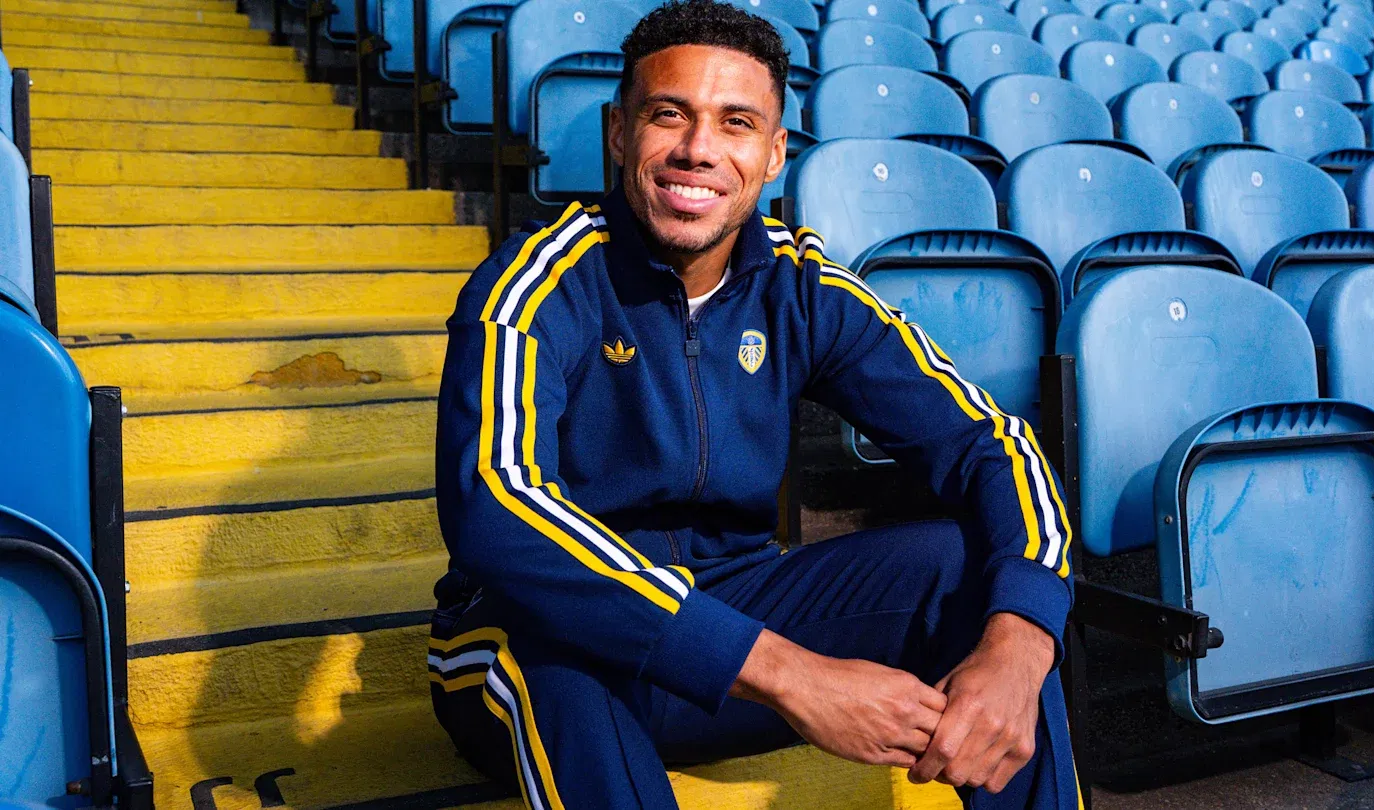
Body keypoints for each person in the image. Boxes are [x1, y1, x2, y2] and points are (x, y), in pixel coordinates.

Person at [430, 1, 1078, 806]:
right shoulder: (535, 283)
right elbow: (495, 508)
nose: (698, 149)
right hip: (538, 648)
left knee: (974, 576)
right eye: (669, 115)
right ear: (618, 132)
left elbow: (991, 443)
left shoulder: (802, 290)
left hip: (736, 615)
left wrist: (1023, 641)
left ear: (773, 153)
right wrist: (789, 673)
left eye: (736, 123)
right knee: (549, 644)